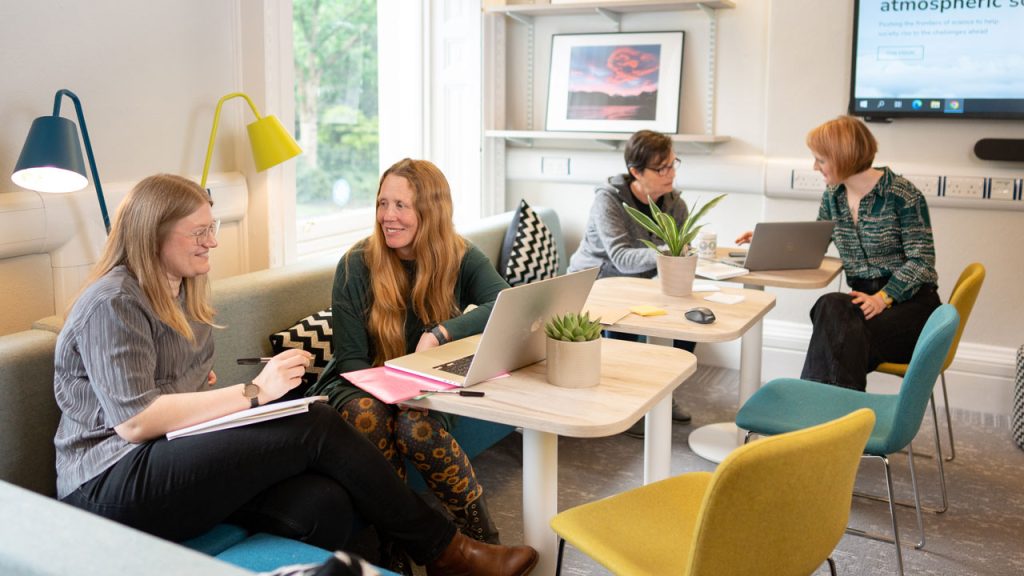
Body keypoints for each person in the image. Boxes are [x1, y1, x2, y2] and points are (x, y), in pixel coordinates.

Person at [53, 173, 538, 576]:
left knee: (325, 502)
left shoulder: (182, 294)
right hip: (108, 482)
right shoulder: (113, 302)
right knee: (316, 426)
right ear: (152, 234)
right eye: (199, 232)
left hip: (170, 458)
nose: (213, 241)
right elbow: (137, 421)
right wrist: (252, 393)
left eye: (212, 226)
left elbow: (173, 404)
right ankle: (449, 552)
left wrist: (226, 395)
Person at [305, 159, 509, 548]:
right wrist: (395, 395)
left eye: (401, 205)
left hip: (427, 381)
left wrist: (441, 332)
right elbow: (351, 361)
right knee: (371, 417)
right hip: (358, 384)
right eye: (383, 204)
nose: (388, 216)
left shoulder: (460, 256)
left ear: (429, 212)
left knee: (416, 429)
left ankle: (481, 538)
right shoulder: (355, 264)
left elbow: (503, 301)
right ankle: (395, 544)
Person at [736, 115, 939, 391]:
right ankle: (838, 421)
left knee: (836, 326)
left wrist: (883, 298)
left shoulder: (902, 195)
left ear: (842, 157)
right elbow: (816, 239)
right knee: (832, 310)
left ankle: (818, 414)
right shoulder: (834, 197)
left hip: (910, 308)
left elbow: (922, 263)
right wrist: (768, 241)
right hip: (861, 305)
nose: (814, 166)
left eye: (820, 159)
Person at [566, 129, 696, 436]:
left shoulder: (675, 204)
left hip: (642, 286)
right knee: (625, 329)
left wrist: (682, 255)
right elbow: (622, 258)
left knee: (689, 321)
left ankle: (663, 392)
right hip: (595, 284)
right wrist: (671, 253)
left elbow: (679, 253)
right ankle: (628, 405)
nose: (671, 173)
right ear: (636, 172)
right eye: (661, 168)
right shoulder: (608, 201)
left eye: (673, 164)